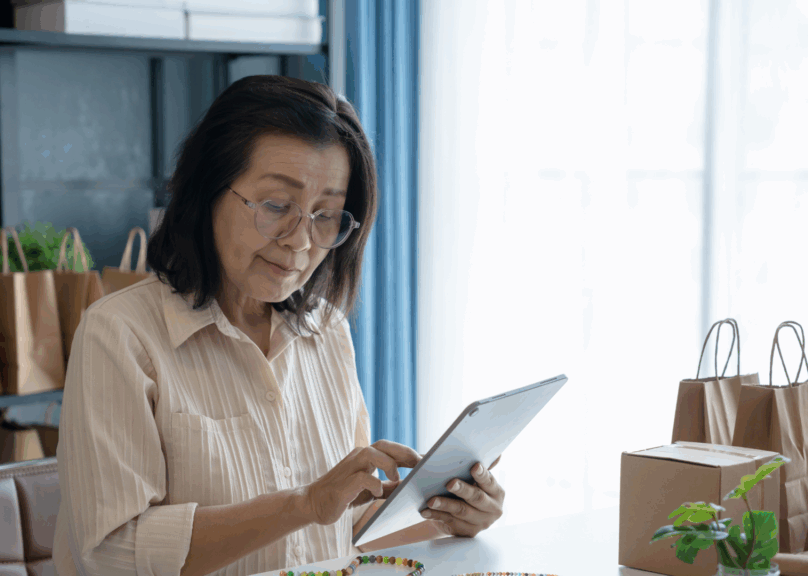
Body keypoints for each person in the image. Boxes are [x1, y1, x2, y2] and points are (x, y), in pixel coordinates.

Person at [52, 75, 505, 576]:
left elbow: (346, 531)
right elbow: (110, 554)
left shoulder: (326, 330)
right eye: (275, 207)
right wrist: (302, 505)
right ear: (207, 191)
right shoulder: (120, 335)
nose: (300, 241)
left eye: (326, 215)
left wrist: (446, 518)